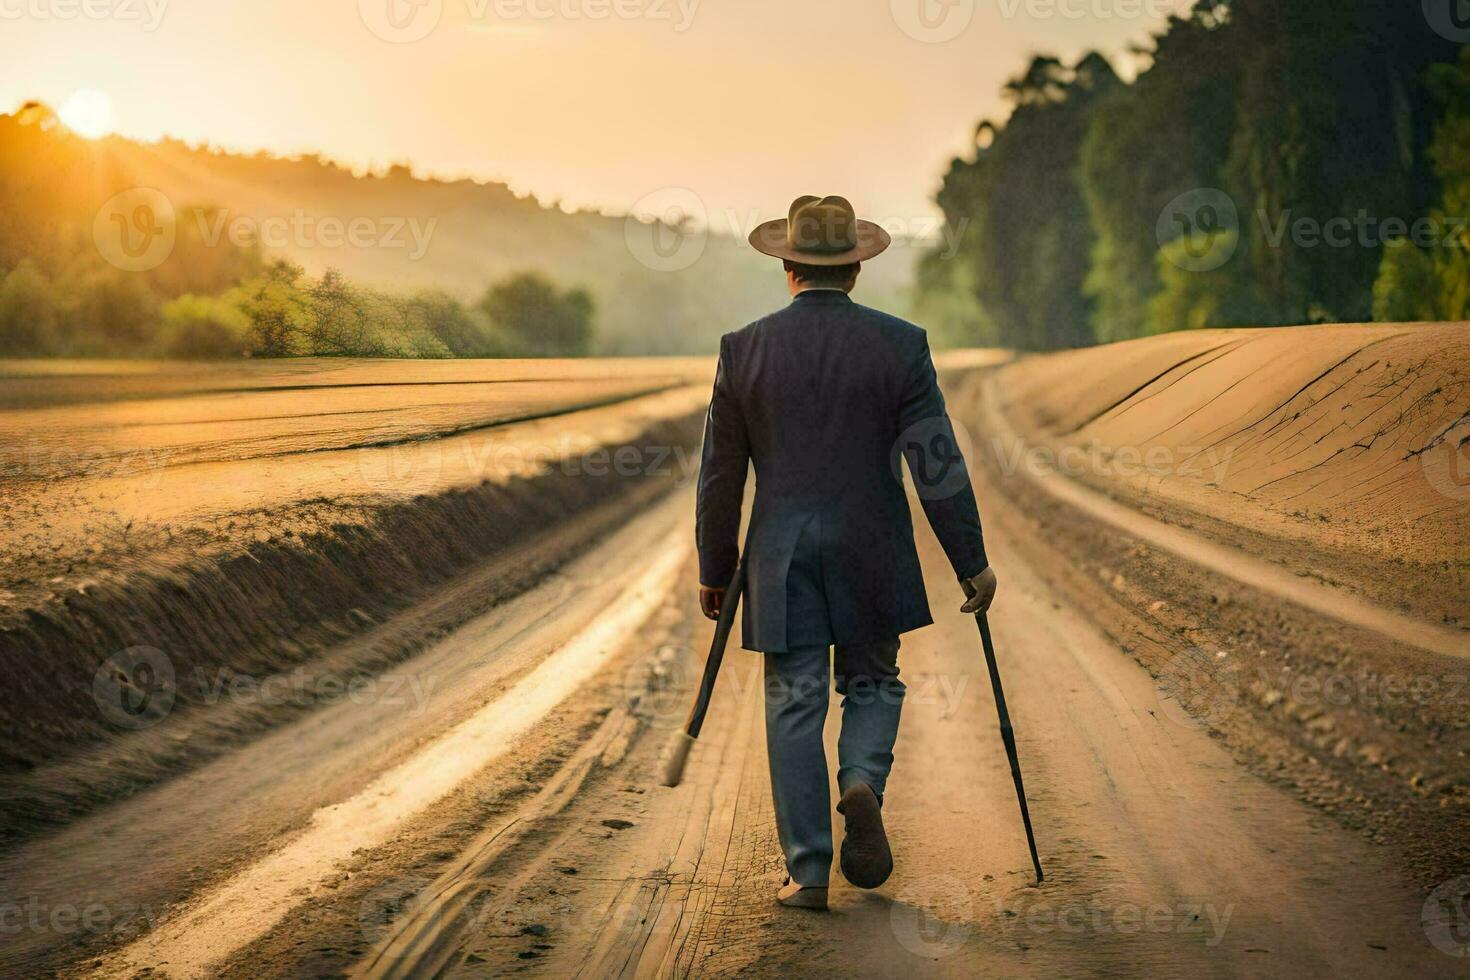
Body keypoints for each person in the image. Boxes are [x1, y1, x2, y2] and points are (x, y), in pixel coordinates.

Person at [695, 195, 997, 910]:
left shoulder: (744, 348)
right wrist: (971, 559)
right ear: (856, 268)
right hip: (872, 545)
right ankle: (860, 777)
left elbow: (720, 472)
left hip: (782, 554)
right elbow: (936, 463)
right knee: (874, 683)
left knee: (793, 706)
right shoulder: (902, 344)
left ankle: (807, 873)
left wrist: (716, 566)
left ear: (787, 265)